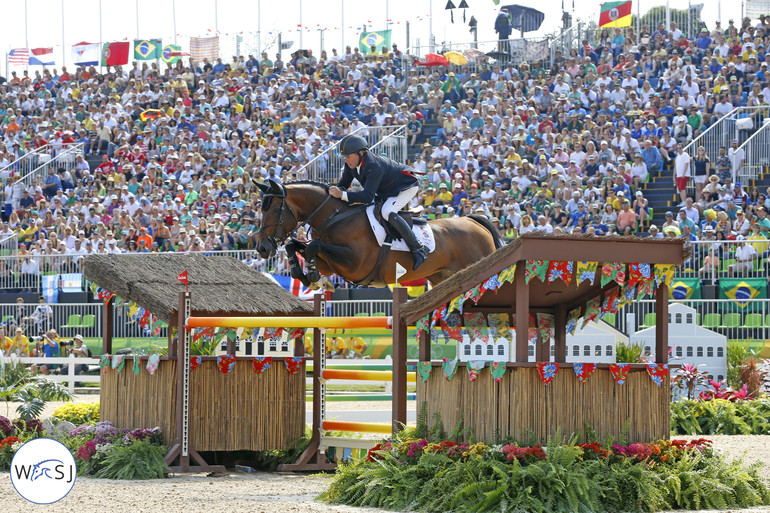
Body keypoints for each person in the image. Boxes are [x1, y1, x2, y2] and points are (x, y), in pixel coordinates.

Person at [329, 134, 428, 270]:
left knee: (387, 211)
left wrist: (342, 195)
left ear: (361, 153)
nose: (346, 160)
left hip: (405, 186)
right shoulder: (351, 164)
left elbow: (367, 196)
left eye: (348, 156)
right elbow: (343, 185)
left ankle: (418, 249)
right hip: (387, 190)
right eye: (345, 157)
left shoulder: (372, 165)